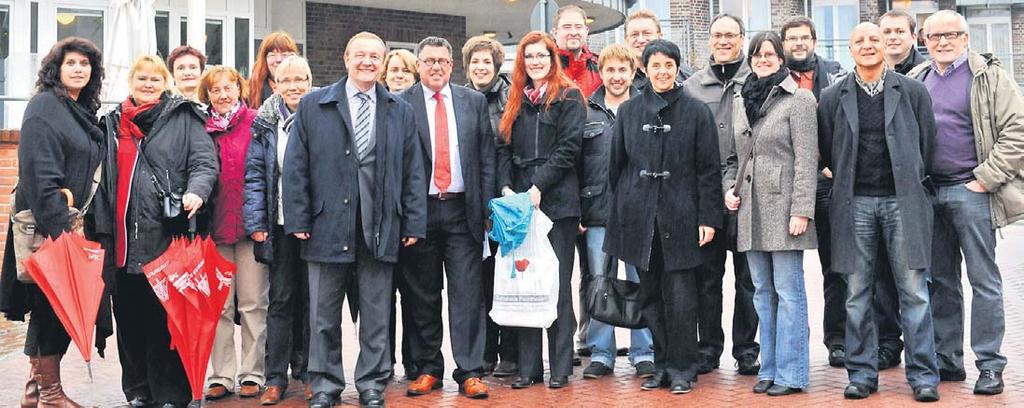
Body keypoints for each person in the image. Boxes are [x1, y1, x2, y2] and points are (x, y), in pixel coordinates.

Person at [283, 31, 426, 408]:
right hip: (326, 224)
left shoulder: (400, 110)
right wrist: (297, 216)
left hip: (380, 226)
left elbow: (413, 172)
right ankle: (326, 385)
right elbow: (295, 167)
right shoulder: (314, 106)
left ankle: (372, 384)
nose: (367, 62)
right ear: (345, 58)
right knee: (323, 315)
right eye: (360, 55)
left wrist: (412, 222)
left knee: (377, 314)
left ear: (382, 63)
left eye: (374, 56)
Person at [817, 23, 939, 402]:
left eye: (874, 39)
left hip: (903, 203)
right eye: (859, 41)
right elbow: (826, 148)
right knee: (856, 293)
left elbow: (927, 144)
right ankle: (861, 374)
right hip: (855, 205)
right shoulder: (832, 95)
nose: (868, 46)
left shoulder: (913, 92)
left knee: (914, 293)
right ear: (849, 49)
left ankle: (923, 377)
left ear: (886, 45)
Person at [908, 9, 1024, 396]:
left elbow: (1016, 131)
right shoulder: (916, 79)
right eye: (934, 36)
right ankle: (948, 360)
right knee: (940, 282)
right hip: (929, 194)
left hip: (971, 191)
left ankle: (990, 365)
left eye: (951, 34)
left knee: (984, 281)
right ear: (923, 40)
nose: (942, 42)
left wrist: (985, 178)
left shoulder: (989, 77)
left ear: (965, 37)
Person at [605, 38, 722, 395]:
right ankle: (660, 365)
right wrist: (624, 209)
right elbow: (617, 168)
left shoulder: (696, 111)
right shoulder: (629, 112)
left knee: (683, 299)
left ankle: (684, 368)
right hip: (641, 218)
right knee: (650, 297)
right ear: (645, 68)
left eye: (668, 65)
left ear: (677, 68)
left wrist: (708, 218)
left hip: (682, 217)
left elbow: (708, 170)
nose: (662, 71)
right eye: (655, 65)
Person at [101, 54, 218, 408]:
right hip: (121, 239)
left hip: (164, 237)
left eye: (155, 79)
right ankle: (137, 390)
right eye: (142, 79)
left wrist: (197, 190)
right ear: (131, 82)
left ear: (165, 82)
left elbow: (204, 161)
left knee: (166, 321)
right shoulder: (112, 122)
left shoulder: (183, 117)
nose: (148, 84)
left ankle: (171, 394)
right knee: (129, 319)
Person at [0, 36, 107, 408]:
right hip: (50, 227)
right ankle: (49, 394)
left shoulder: (78, 110)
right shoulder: (45, 107)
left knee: (54, 308)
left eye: (85, 64)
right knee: (51, 308)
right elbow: (39, 174)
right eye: (71, 63)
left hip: (69, 226)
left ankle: (35, 392)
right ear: (56, 69)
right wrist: (60, 231)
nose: (79, 69)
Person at [397, 36, 496, 400]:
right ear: (418, 65)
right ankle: (428, 369)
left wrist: (485, 209)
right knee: (423, 295)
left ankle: (470, 370)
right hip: (420, 212)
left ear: (452, 65)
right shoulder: (401, 103)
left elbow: (486, 157)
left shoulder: (473, 102)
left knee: (468, 294)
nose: (435, 67)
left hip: (461, 210)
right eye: (428, 61)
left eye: (442, 60)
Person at [723, 32, 817, 397]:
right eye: (757, 54)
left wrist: (802, 211)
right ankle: (770, 368)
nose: (763, 59)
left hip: (784, 209)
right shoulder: (741, 99)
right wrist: (728, 189)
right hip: (749, 209)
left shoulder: (800, 99)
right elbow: (733, 158)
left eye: (769, 54)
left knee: (789, 291)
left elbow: (808, 160)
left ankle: (792, 373)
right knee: (761, 292)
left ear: (781, 58)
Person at [496, 30, 585, 390]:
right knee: (525, 286)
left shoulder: (569, 96)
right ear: (522, 62)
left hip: (557, 203)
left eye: (542, 56)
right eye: (529, 56)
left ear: (552, 59)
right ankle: (528, 367)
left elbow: (568, 149)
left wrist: (538, 187)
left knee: (556, 285)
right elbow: (502, 147)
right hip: (519, 206)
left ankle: (560, 366)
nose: (535, 62)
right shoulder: (514, 99)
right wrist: (507, 189)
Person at [681, 13, 760, 376]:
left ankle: (746, 348)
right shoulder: (693, 86)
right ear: (709, 41)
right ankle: (708, 347)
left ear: (743, 39)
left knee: (748, 279)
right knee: (707, 279)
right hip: (707, 197)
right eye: (718, 35)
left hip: (749, 196)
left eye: (731, 35)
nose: (724, 41)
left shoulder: (759, 80)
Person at [577, 44, 656, 380]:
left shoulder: (647, 108)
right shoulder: (586, 111)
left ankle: (644, 352)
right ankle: (601, 352)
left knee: (641, 282)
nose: (617, 76)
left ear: (632, 71)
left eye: (623, 70)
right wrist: (580, 209)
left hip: (639, 212)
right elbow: (577, 164)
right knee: (600, 282)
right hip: (597, 211)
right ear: (602, 73)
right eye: (610, 70)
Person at [778, 15, 850, 368]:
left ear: (814, 40)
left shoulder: (835, 76)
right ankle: (782, 347)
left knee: (836, 267)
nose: (799, 43)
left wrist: (828, 164)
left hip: (828, 183)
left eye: (804, 37)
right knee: (780, 273)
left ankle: (838, 339)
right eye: (791, 38)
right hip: (783, 188)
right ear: (783, 44)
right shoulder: (770, 79)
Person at [244, 55, 313, 405]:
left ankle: (313, 371)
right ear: (274, 86)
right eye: (287, 80)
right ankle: (275, 377)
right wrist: (256, 223)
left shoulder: (321, 115)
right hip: (280, 224)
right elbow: (255, 175)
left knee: (317, 302)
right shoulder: (264, 122)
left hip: (317, 227)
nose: (295, 86)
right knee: (282, 300)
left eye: (301, 79)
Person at [199, 66, 268, 401]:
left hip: (251, 229)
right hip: (215, 230)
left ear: (240, 89)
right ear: (207, 96)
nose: (224, 95)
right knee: (219, 307)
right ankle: (221, 375)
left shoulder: (256, 121)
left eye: (229, 88)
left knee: (253, 303)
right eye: (216, 90)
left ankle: (253, 373)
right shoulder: (202, 129)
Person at [462, 34, 518, 378]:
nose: (480, 68)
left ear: (496, 66)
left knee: (508, 279)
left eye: (487, 62)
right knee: (479, 283)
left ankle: (510, 352)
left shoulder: (512, 97)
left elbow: (510, 149)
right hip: (470, 203)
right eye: (475, 62)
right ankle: (484, 352)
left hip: (505, 200)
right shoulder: (458, 99)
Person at [377, 47, 420, 381]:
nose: (400, 75)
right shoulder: (376, 108)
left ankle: (413, 359)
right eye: (394, 70)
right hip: (380, 219)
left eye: (406, 70)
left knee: (414, 294)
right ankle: (383, 359)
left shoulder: (416, 108)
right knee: (380, 296)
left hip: (411, 216)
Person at [622, 9, 692, 90]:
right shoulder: (618, 77)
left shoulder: (684, 76)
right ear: (626, 39)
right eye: (634, 35)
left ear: (660, 36)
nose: (641, 40)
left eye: (647, 33)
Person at [553, 5, 601, 98]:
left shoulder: (600, 69)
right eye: (567, 27)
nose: (574, 32)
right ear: (555, 33)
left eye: (578, 27)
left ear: (586, 31)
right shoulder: (544, 68)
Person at [248, 31, 299, 109]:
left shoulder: (303, 88)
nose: (278, 59)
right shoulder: (251, 90)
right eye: (272, 55)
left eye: (284, 54)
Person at [879, 11, 927, 75]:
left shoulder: (926, 72)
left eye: (900, 31)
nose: (892, 37)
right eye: (887, 32)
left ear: (913, 37)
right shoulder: (868, 68)